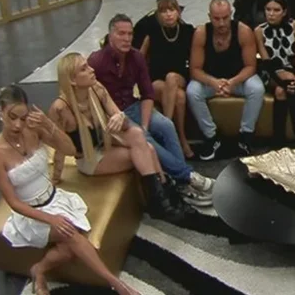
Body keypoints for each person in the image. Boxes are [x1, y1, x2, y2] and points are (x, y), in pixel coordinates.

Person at [0, 85, 140, 295]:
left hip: (55, 199)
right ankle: (118, 285)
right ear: (0, 112)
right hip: (30, 214)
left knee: (69, 244)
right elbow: (14, 203)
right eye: (12, 117)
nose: (17, 125)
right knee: (71, 234)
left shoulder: (34, 129)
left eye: (23, 118)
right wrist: (51, 219)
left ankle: (39, 269)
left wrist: (48, 125)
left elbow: (70, 149)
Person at [50, 52, 202, 217]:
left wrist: (120, 117)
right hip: (89, 159)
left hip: (106, 144)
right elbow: (59, 148)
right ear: (72, 80)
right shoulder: (60, 109)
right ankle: (165, 197)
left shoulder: (97, 89)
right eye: (84, 69)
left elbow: (125, 122)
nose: (91, 70)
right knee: (147, 150)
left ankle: (162, 198)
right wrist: (55, 179)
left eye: (88, 65)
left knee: (139, 136)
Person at [88, 14, 214, 202]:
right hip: (113, 115)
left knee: (166, 125)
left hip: (134, 106)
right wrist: (139, 130)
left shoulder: (137, 57)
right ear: (110, 35)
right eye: (121, 34)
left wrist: (145, 124)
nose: (127, 38)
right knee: (143, 138)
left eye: (130, 34)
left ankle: (181, 181)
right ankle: (187, 176)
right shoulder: (96, 61)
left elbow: (147, 94)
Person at [187, 0, 264, 158]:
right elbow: (195, 70)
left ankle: (246, 136)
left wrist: (232, 82)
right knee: (192, 91)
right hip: (211, 81)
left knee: (257, 88)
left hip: (238, 80)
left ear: (231, 14)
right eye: (216, 19)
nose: (221, 23)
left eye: (225, 18)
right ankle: (211, 136)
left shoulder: (243, 31)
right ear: (209, 17)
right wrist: (213, 82)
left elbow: (251, 66)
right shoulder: (201, 33)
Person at [139, 0, 196, 158]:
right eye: (164, 11)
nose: (168, 14)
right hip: (157, 79)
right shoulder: (152, 33)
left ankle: (166, 128)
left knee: (172, 78)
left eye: (171, 10)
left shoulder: (188, 31)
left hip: (180, 77)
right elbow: (139, 59)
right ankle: (182, 140)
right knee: (179, 97)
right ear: (158, 15)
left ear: (178, 12)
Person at [254, 0, 295, 147]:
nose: (271, 14)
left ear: (284, 11)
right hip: (271, 72)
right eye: (268, 9)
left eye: (276, 10)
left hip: (292, 70)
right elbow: (266, 62)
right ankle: (281, 140)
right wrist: (281, 79)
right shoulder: (259, 30)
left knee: (287, 89)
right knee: (281, 89)